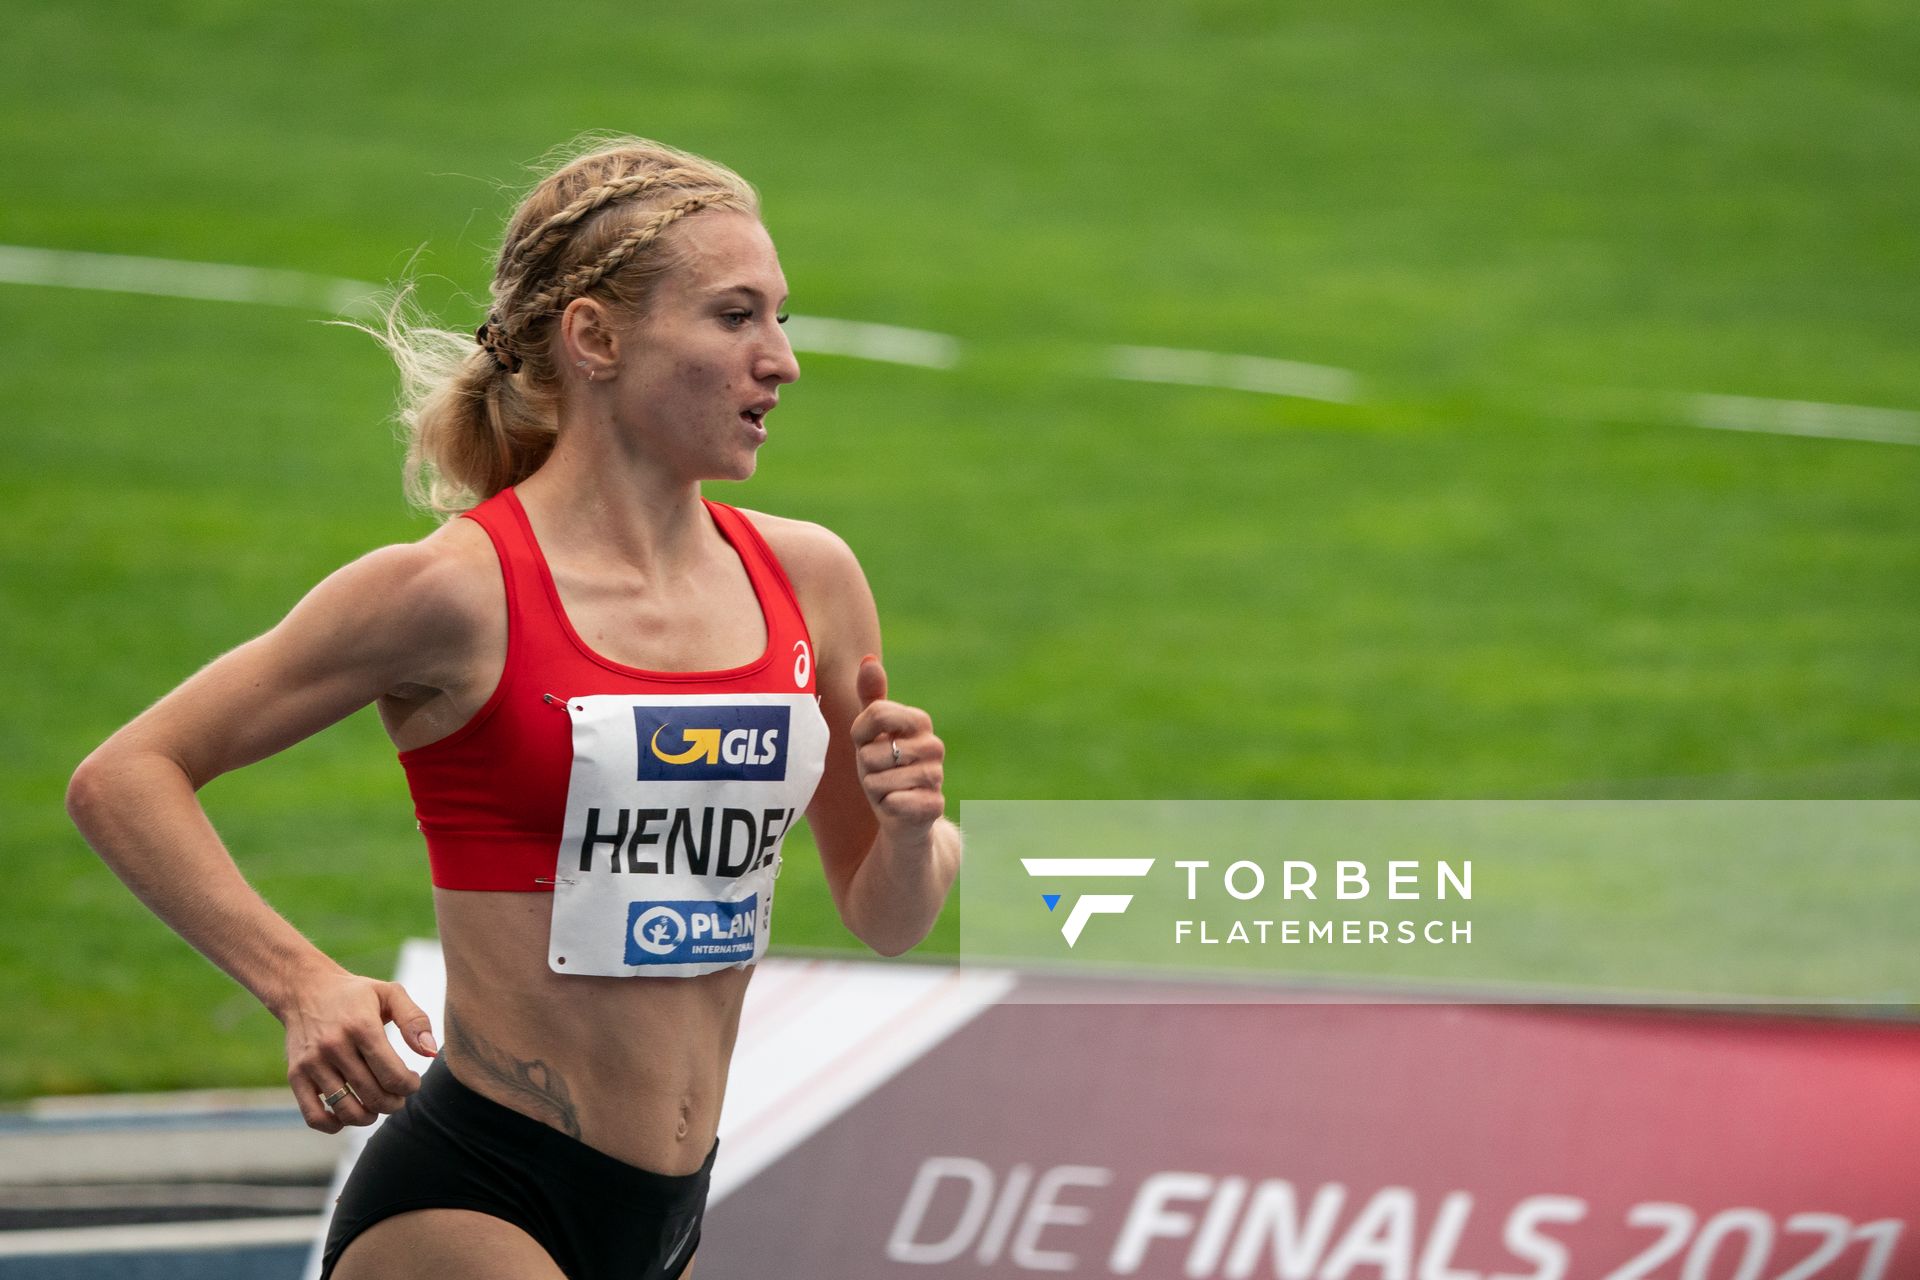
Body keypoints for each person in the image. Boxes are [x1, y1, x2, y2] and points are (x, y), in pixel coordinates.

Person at [65, 134, 961, 1280]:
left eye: (779, 317)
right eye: (735, 316)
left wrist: (910, 827)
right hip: (478, 1196)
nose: (780, 360)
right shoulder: (452, 591)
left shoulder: (811, 580)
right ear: (595, 337)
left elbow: (889, 916)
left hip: (670, 1212)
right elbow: (125, 775)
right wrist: (301, 981)